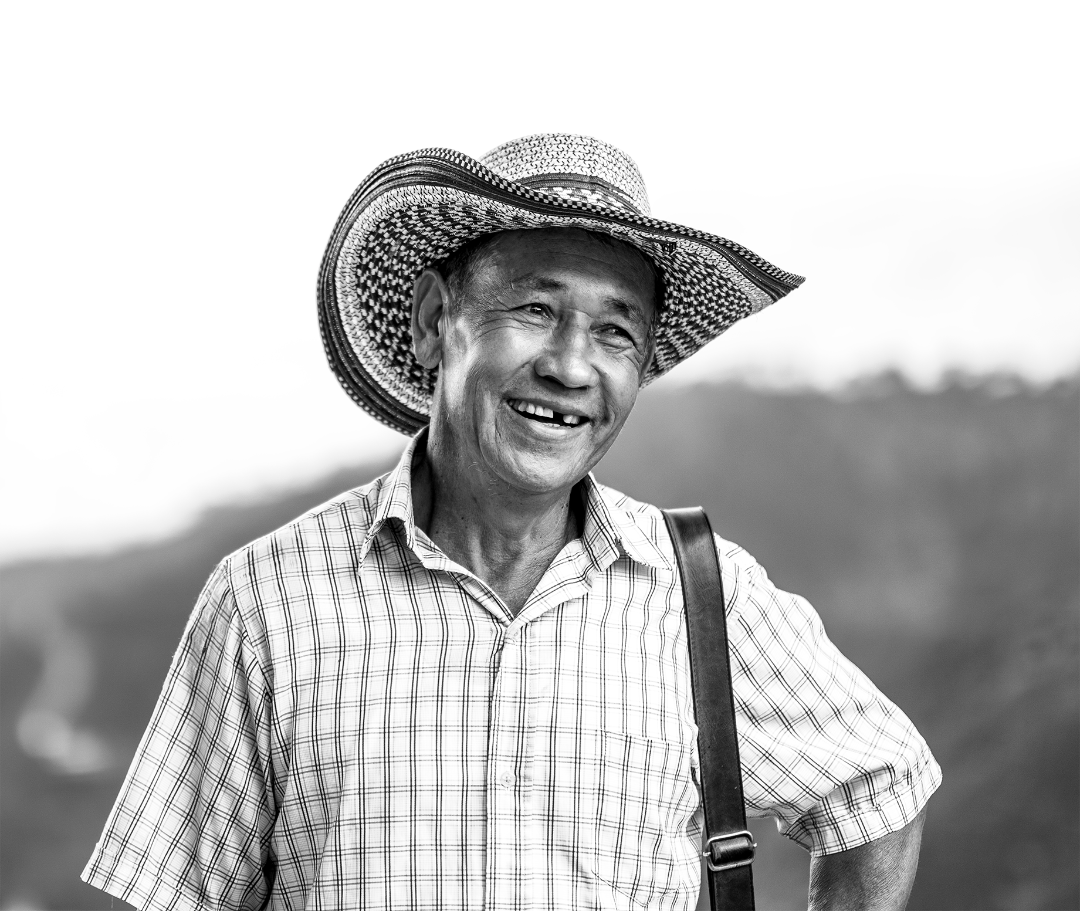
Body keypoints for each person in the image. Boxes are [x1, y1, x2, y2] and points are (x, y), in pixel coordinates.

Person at [83, 133, 940, 911]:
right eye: (535, 310)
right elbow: (178, 893)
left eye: (615, 332)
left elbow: (880, 787)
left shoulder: (704, 595)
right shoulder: (267, 598)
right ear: (434, 323)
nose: (571, 366)